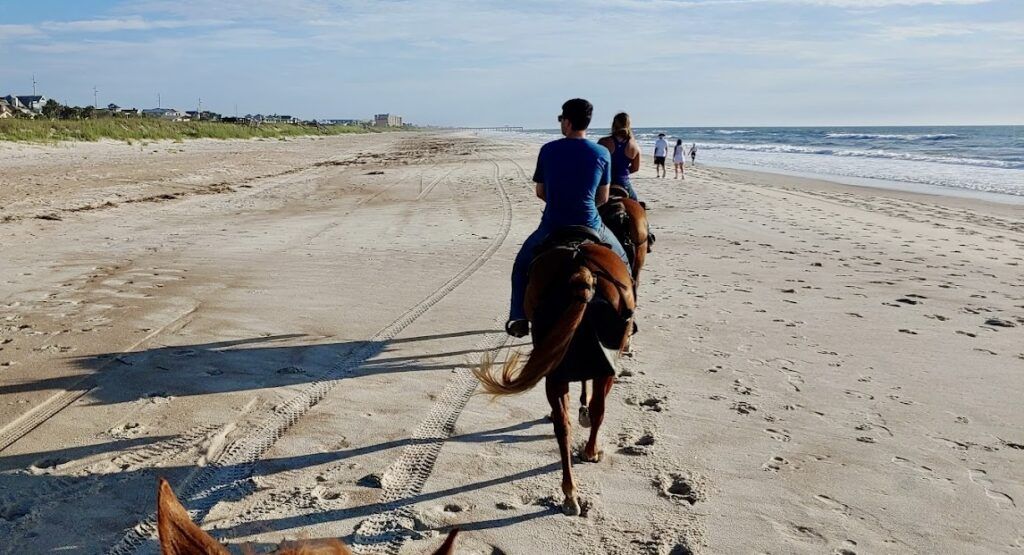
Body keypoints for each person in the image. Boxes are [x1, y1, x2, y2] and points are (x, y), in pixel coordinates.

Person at [506, 98, 631, 338]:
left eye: (561, 119)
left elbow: (541, 192)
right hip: (591, 224)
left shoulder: (548, 150)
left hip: (553, 224)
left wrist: (561, 202)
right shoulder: (601, 152)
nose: (561, 123)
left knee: (521, 265)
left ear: (568, 122)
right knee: (623, 260)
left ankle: (519, 317)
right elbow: (603, 198)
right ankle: (627, 318)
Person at [597, 112, 641, 201]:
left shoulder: (603, 142)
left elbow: (596, 163)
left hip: (605, 182)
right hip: (623, 182)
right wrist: (623, 172)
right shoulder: (634, 145)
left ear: (614, 124)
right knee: (637, 203)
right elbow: (635, 168)